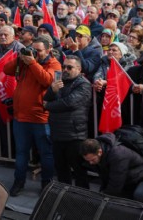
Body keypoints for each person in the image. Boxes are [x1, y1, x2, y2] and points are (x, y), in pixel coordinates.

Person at [4, 35, 61, 196]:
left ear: (49, 49)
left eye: (39, 51)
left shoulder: (54, 63)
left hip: (40, 118)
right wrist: (20, 59)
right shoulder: (25, 62)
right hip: (21, 117)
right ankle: (19, 181)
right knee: (21, 152)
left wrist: (33, 63)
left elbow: (48, 81)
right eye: (32, 50)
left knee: (46, 153)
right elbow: (6, 70)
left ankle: (46, 183)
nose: (35, 53)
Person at [43, 55, 91, 188]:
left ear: (79, 69)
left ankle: (84, 200)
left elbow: (68, 103)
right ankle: (65, 198)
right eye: (64, 66)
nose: (65, 69)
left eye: (69, 67)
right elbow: (46, 99)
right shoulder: (59, 80)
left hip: (74, 135)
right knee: (61, 170)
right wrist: (52, 91)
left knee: (79, 171)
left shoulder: (83, 84)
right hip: (57, 133)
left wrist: (48, 106)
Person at [80, 134, 143, 203]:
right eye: (88, 160)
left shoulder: (117, 155)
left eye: (92, 160)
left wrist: (103, 198)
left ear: (99, 152)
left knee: (140, 195)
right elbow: (107, 178)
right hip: (129, 180)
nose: (90, 163)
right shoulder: (99, 154)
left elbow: (115, 184)